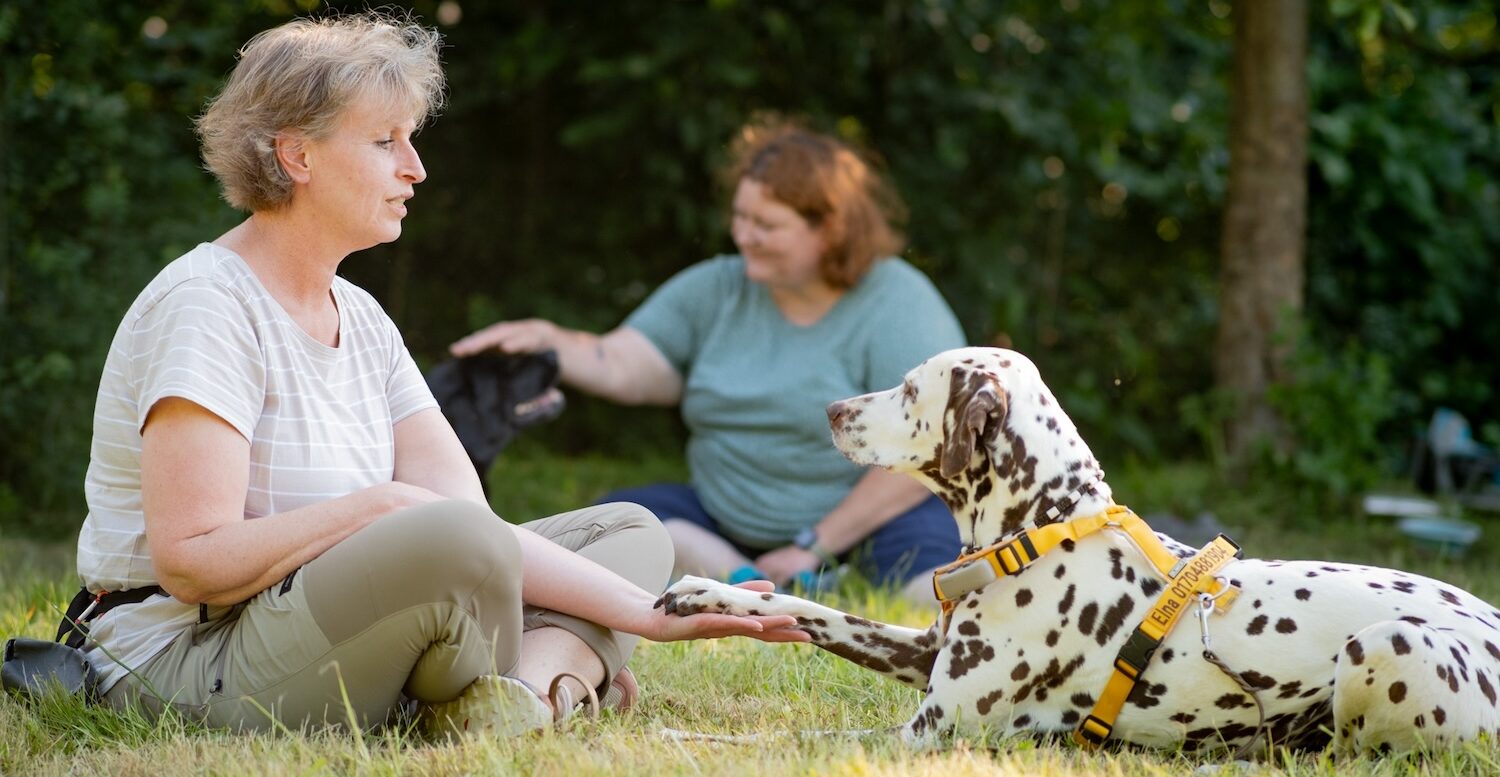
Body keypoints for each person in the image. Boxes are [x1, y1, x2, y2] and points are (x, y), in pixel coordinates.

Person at [69, 12, 806, 737]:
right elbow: (194, 563)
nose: (415, 167)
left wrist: (649, 611)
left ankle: (520, 698)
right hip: (189, 658)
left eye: (411, 139)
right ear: (298, 155)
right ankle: (562, 673)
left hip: (325, 627)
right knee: (448, 536)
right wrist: (378, 508)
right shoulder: (207, 304)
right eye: (386, 141)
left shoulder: (361, 319)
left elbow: (472, 526)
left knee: (632, 534)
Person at [451, 120, 967, 605]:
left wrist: (814, 543)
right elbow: (628, 362)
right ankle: (750, 579)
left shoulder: (899, 299)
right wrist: (552, 341)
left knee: (930, 588)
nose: (744, 235)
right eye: (740, 217)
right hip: (722, 520)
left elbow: (931, 444)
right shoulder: (717, 286)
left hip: (866, 526)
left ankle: (816, 575)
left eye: (766, 224)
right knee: (608, 525)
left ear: (830, 229)